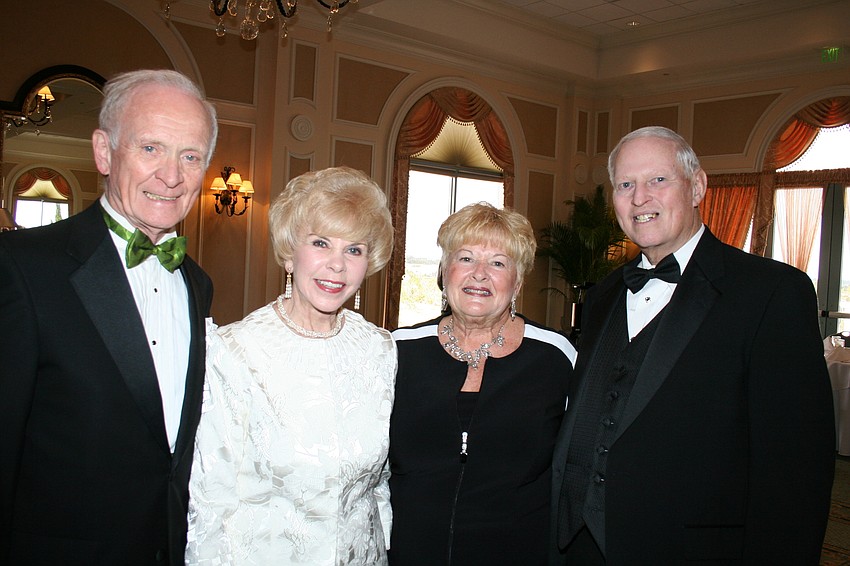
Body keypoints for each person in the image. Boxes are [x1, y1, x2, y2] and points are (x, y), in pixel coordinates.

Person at [551, 126, 836, 565]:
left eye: (657, 180)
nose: (640, 198)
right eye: (626, 185)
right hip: (578, 544)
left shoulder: (772, 292)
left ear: (698, 185)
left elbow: (795, 471)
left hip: (691, 550)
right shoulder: (604, 293)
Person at [0, 69, 217, 565]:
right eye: (150, 148)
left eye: (191, 156)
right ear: (103, 151)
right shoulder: (23, 268)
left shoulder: (197, 285)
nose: (172, 175)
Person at [185, 166, 396, 565]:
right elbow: (210, 501)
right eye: (321, 243)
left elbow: (378, 488)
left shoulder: (380, 349)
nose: (337, 265)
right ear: (289, 253)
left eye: (354, 249)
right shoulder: (235, 351)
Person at [389, 202, 577, 565]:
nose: (479, 274)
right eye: (466, 258)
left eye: (498, 263)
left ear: (518, 280)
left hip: (519, 552)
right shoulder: (397, 350)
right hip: (408, 551)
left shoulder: (556, 357)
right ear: (444, 272)